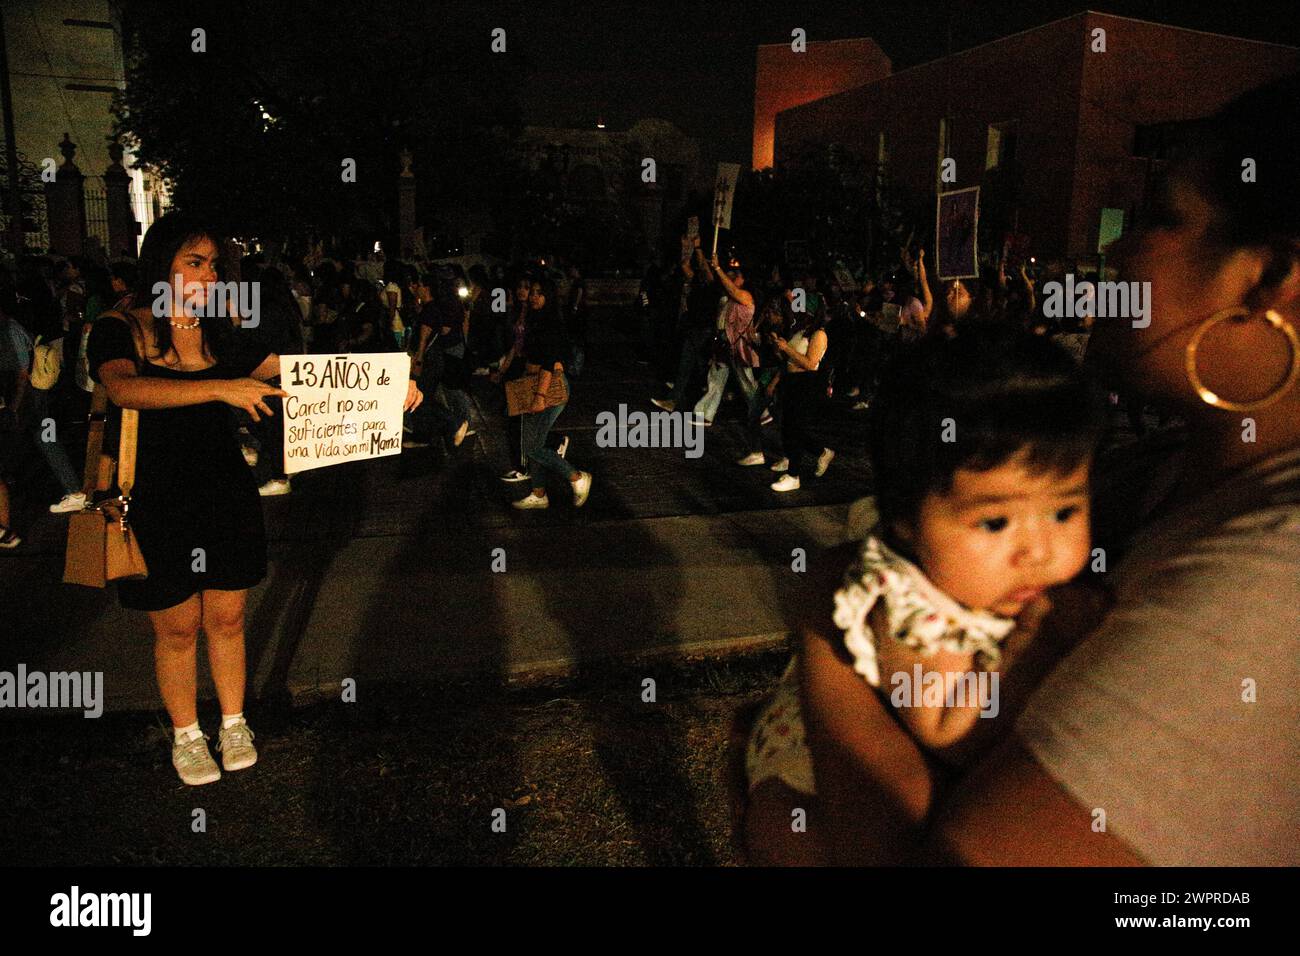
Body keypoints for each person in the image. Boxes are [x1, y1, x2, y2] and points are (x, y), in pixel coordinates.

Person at [771, 72, 1300, 866]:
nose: (1117, 246)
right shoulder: (1151, 472)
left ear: (1265, 278)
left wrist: (825, 637)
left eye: (1160, 217)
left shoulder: (1275, 569)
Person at [744, 326, 1105, 863]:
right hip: (810, 771)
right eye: (996, 521)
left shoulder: (993, 577)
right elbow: (944, 730)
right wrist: (1036, 639)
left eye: (1064, 511)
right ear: (907, 525)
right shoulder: (908, 606)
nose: (1038, 550)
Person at [86, 212, 422, 787]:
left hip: (225, 494)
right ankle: (188, 733)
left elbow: (299, 374)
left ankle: (234, 722)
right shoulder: (123, 328)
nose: (209, 275)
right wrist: (219, 387)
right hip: (156, 500)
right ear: (161, 262)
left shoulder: (221, 331)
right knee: (176, 627)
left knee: (227, 616)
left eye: (214, 264)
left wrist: (390, 389)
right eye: (194, 262)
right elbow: (122, 388)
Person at [511, 278, 592, 510]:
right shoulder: (535, 318)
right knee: (531, 443)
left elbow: (549, 361)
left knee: (533, 447)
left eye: (539, 293)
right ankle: (538, 494)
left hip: (547, 387)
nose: (534, 296)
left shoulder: (551, 322)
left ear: (549, 296)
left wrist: (540, 396)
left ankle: (576, 477)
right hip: (532, 384)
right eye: (532, 293)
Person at [767, 292, 835, 491]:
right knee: (788, 426)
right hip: (791, 382)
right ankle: (809, 455)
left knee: (796, 429)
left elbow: (810, 363)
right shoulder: (801, 330)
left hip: (806, 385)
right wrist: (778, 346)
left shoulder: (819, 334)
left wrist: (786, 348)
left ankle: (794, 475)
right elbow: (788, 359)